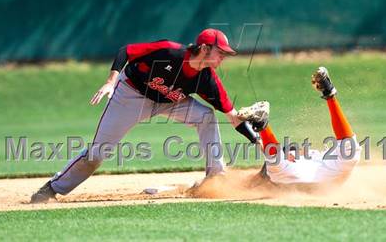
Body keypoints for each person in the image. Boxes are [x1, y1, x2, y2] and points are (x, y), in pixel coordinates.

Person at [30, 28, 259, 203]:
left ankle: (216, 177)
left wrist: (257, 140)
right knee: (98, 153)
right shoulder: (169, 51)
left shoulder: (207, 79)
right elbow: (126, 51)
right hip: (130, 95)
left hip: (171, 102)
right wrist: (111, 81)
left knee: (206, 116)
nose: (223, 58)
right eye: (221, 53)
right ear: (205, 48)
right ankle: (52, 188)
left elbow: (233, 116)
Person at [238, 67, 361, 186]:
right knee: (350, 151)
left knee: (276, 165)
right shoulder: (282, 169)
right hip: (310, 173)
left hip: (309, 171)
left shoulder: (310, 159)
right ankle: (329, 93)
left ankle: (262, 125)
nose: (296, 151)